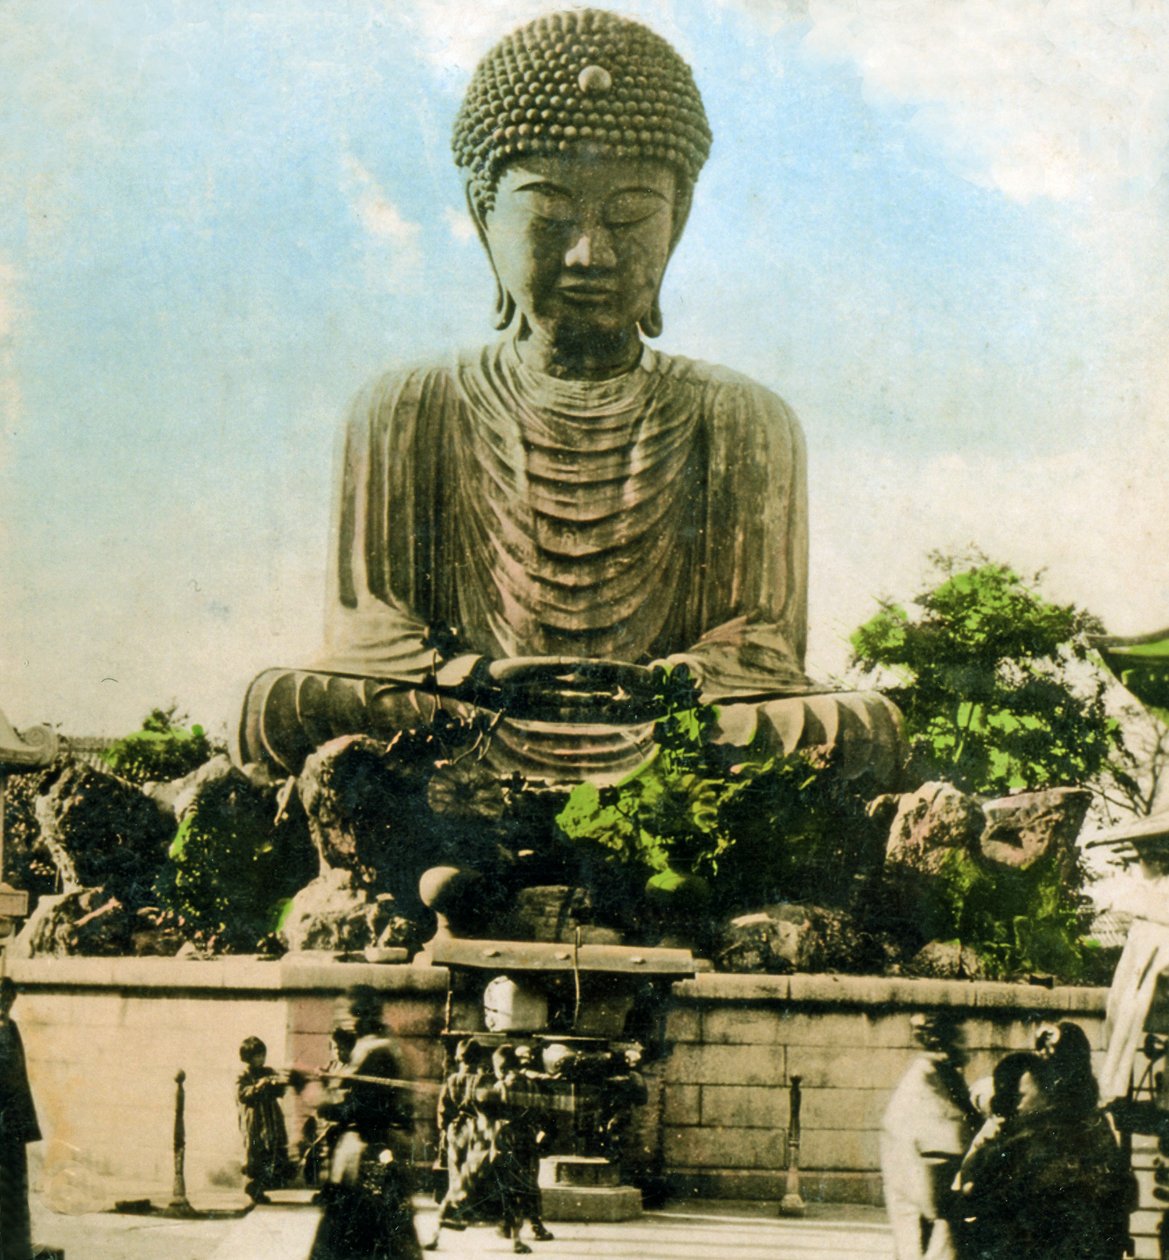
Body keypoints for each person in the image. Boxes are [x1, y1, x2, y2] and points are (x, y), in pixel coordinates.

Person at [238, 7, 905, 790]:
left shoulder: (741, 416)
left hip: (667, 729)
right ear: (484, 217)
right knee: (279, 706)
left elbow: (756, 646)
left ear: (677, 221)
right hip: (466, 720)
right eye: (550, 216)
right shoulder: (406, 405)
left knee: (856, 727)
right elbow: (370, 633)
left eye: (629, 217)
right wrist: (470, 675)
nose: (591, 252)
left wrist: (669, 682)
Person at [955, 1046, 1132, 1260]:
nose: (1015, 1105)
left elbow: (972, 1191)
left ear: (1046, 1089)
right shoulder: (1089, 1125)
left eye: (1020, 1096)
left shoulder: (1035, 1138)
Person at [309, 986, 421, 1260]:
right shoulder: (384, 1044)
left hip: (366, 1160)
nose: (348, 1022)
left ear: (362, 1014)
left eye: (350, 1015)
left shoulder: (377, 1051)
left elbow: (357, 1109)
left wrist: (314, 1096)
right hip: (375, 1157)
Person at [881, 1012, 978, 1260]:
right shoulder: (931, 1076)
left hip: (928, 1181)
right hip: (927, 1181)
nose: (965, 1047)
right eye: (959, 1040)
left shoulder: (939, 1074)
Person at [0, 978, 40, 1260]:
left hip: (11, 1124)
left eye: (8, 1001)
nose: (5, 1006)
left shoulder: (11, 1029)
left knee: (13, 1187)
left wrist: (23, 1122)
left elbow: (19, 1078)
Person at [236, 1035, 294, 1205]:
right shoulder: (243, 1074)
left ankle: (259, 1188)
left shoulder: (268, 1071)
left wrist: (278, 1083)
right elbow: (241, 1095)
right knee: (256, 1153)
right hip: (255, 1120)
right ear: (248, 1057)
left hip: (272, 1118)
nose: (261, 1059)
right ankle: (254, 1187)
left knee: (273, 1152)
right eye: (257, 1056)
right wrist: (257, 1086)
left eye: (263, 1055)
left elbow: (280, 1092)